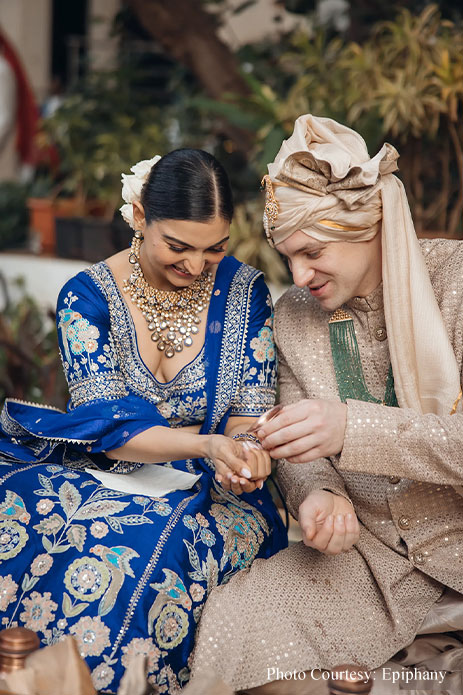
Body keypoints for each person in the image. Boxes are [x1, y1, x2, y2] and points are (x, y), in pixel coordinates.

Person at [190, 115, 463, 694]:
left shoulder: (455, 285)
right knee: (235, 626)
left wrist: (351, 429)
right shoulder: (294, 315)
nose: (298, 275)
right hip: (371, 563)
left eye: (312, 252)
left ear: (367, 225)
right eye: (287, 256)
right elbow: (292, 441)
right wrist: (318, 493)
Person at [0, 149, 287, 693]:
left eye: (215, 248)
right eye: (177, 246)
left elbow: (249, 420)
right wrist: (206, 444)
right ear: (138, 216)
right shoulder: (86, 297)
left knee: (147, 548)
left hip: (216, 488)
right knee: (27, 506)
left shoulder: (246, 293)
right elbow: (109, 429)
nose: (197, 266)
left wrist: (246, 456)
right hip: (108, 467)